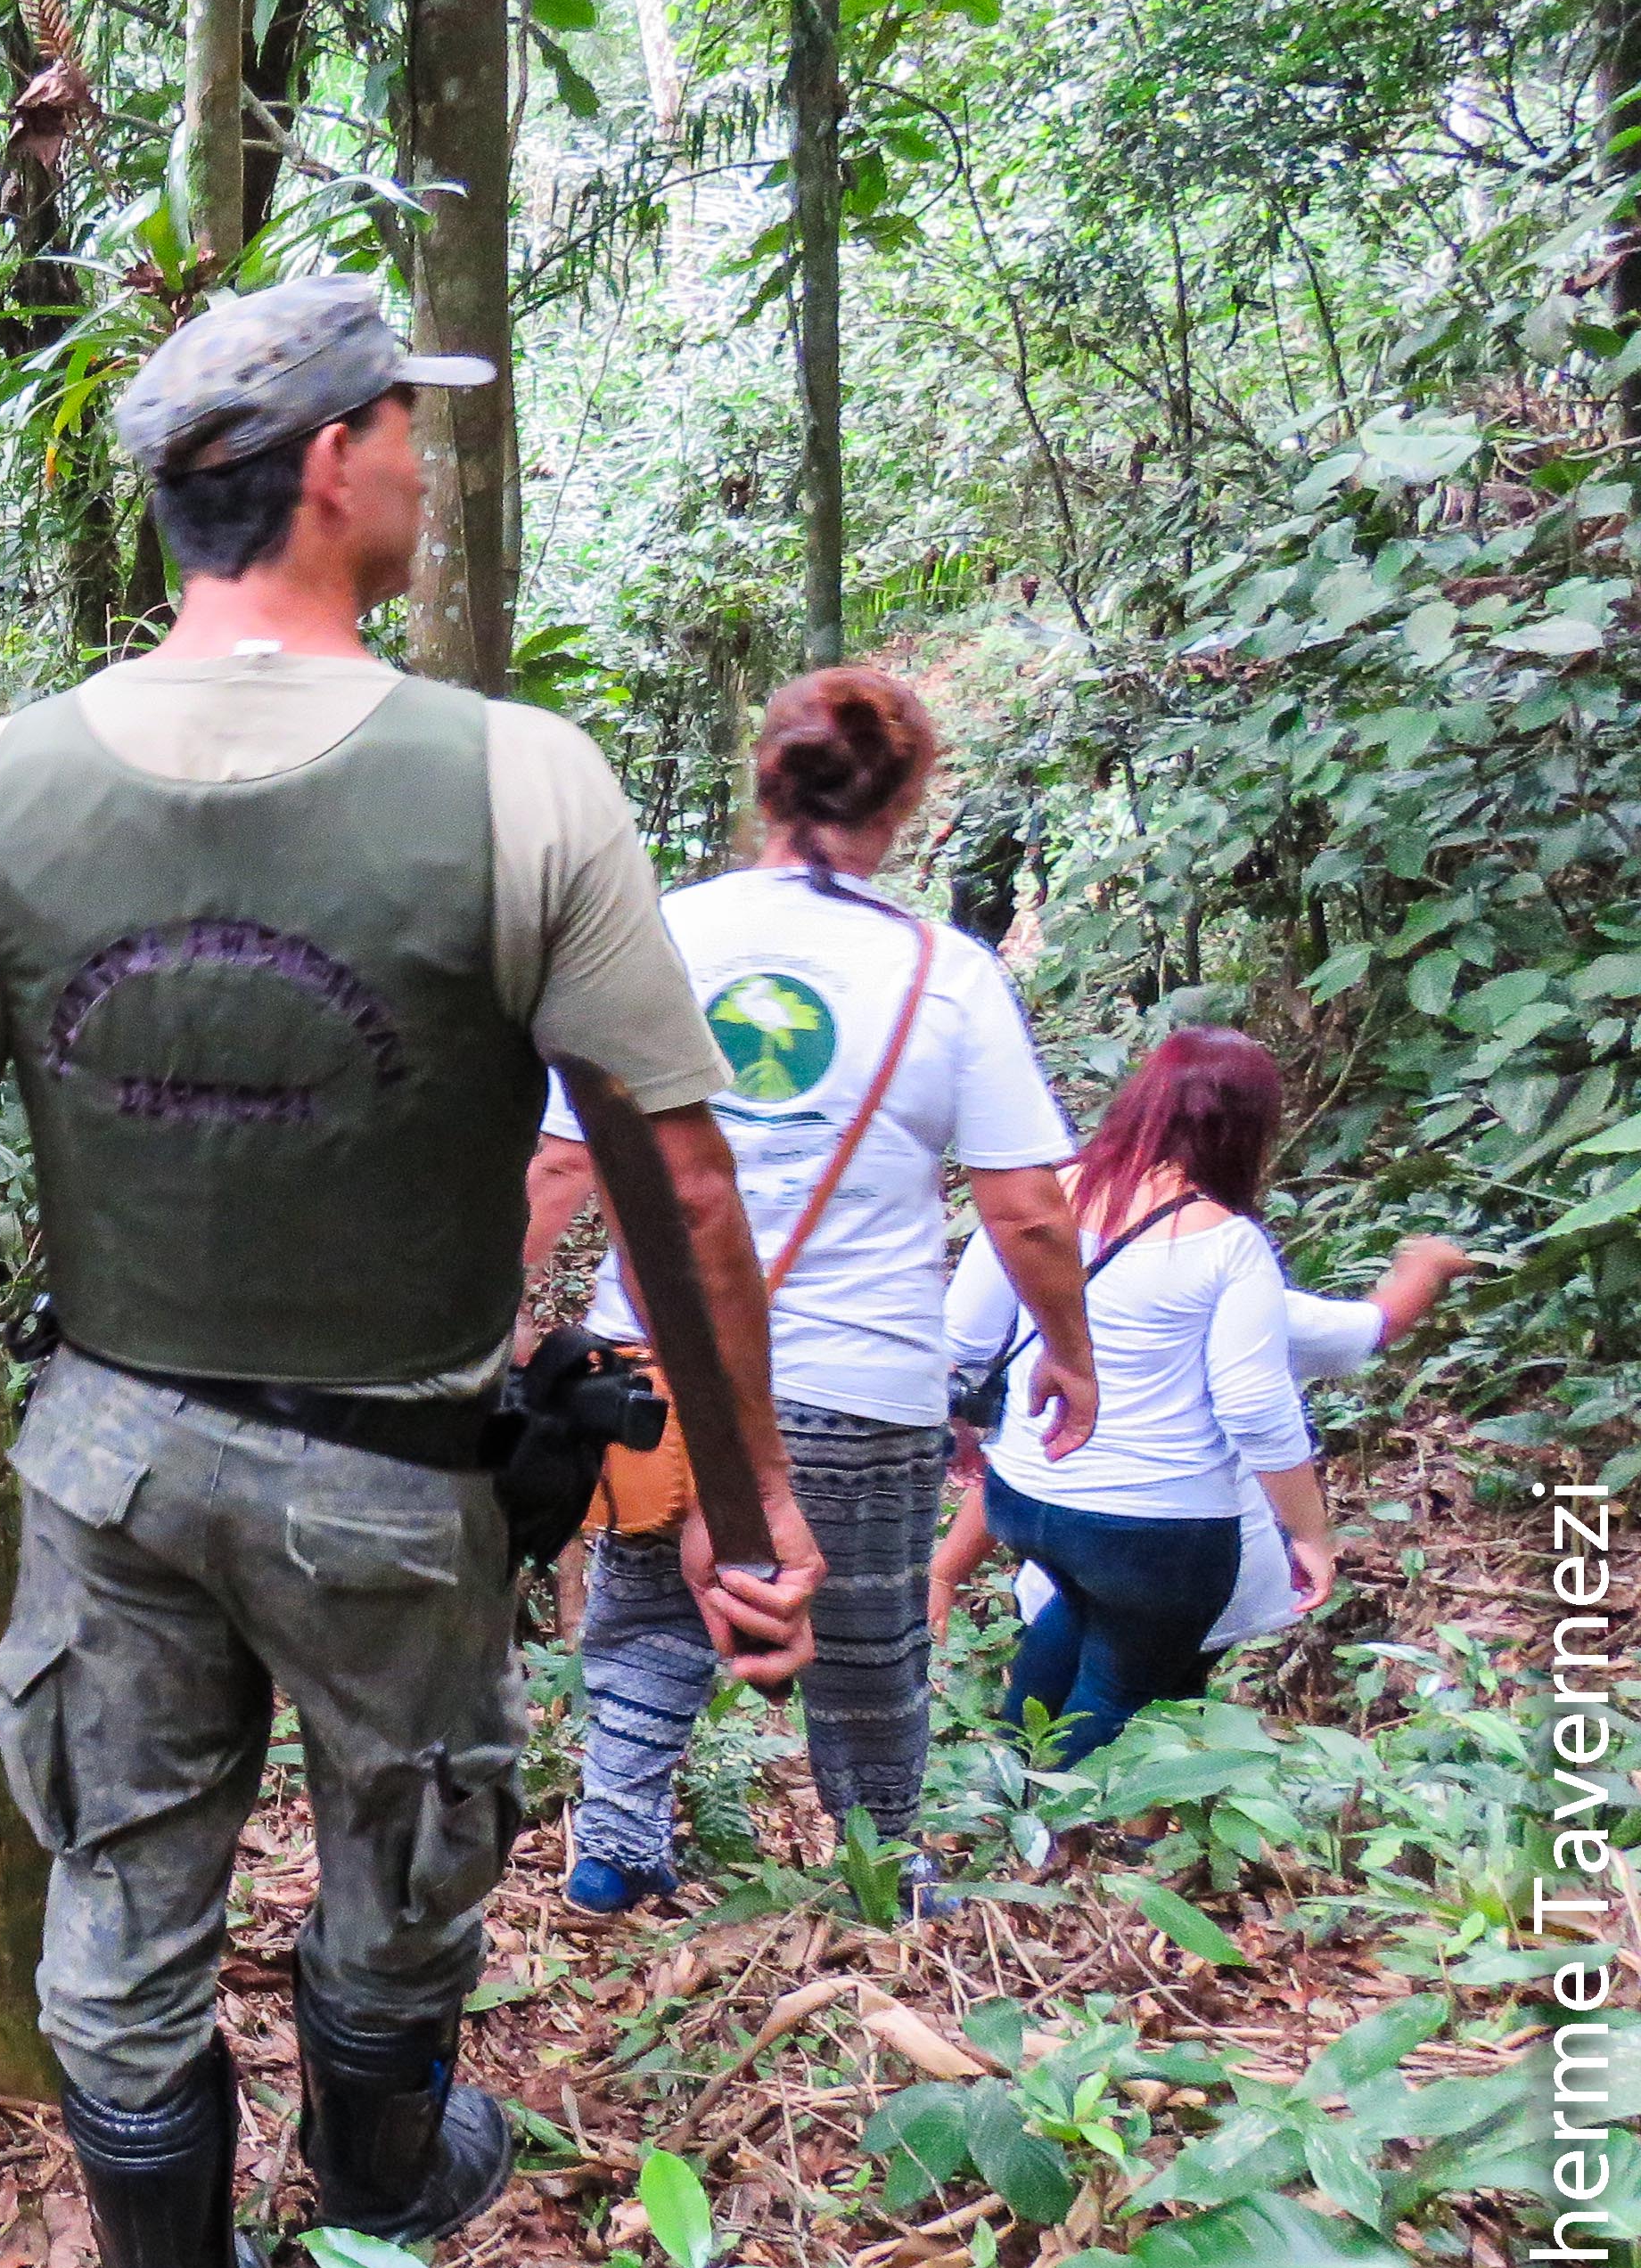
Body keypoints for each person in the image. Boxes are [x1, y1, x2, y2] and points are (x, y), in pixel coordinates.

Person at [0, 277, 824, 2268]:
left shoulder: (7, 780)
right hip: (394, 1467)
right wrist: (758, 1519)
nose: (418, 457)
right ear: (320, 464)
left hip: (110, 1447)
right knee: (407, 1841)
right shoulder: (515, 782)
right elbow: (680, 1187)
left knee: (122, 1886)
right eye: (401, 424)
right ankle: (379, 2173)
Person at [524, 670, 1102, 1921]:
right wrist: (1071, 1354)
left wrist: (479, 1330)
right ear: (901, 807)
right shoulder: (943, 975)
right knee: (871, 1636)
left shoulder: (658, 936)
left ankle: (617, 1847)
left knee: (643, 1609)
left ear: (764, 783)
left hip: (658, 1365)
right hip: (865, 1368)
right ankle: (881, 1868)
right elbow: (1027, 1205)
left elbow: (564, 1161)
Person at [936, 1026, 1334, 1762]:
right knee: (1118, 1690)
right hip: (1158, 1529)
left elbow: (963, 1334)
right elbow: (1252, 1402)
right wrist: (1307, 1532)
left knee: (1075, 1615)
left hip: (1028, 1497)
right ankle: (1040, 1839)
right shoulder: (1228, 1242)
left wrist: (963, 1426)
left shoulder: (1045, 1197)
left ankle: (991, 1803)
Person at [939, 1237, 1475, 1650]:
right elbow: (1370, 1327)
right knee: (1137, 1698)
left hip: (1060, 1541)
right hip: (1188, 1555)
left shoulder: (1047, 1295)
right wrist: (1426, 1267)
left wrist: (945, 1573)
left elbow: (1016, 1458)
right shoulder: (1231, 1282)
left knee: (1069, 1687)